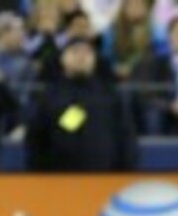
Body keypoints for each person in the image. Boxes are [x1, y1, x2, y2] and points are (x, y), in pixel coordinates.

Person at [25, 37, 138, 171]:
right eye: (75, 51)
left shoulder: (110, 95)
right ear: (62, 58)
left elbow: (126, 137)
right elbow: (35, 140)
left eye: (87, 52)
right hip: (58, 177)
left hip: (103, 176)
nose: (81, 56)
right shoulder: (49, 96)